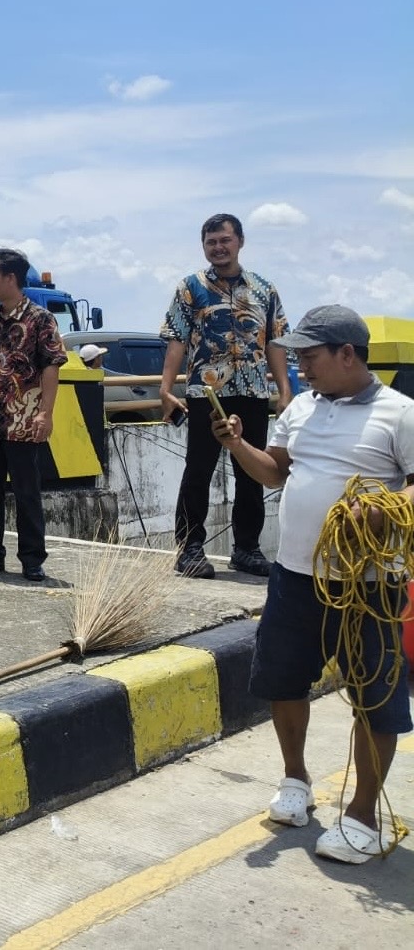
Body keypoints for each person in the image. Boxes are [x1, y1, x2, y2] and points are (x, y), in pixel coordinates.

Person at [211, 304, 411, 864]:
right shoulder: (300, 406)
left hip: (368, 585)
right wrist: (237, 446)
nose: (299, 365)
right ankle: (295, 780)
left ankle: (363, 815)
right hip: (296, 576)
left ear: (348, 354)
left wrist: (383, 511)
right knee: (283, 680)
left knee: (374, 697)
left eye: (309, 355)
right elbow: (276, 471)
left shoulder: (399, 413)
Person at [159, 213, 292, 579]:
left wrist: (284, 391)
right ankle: (189, 549)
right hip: (206, 393)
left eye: (225, 240)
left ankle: (246, 549)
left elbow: (276, 341)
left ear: (240, 242)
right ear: (204, 246)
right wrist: (166, 389)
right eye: (211, 242)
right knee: (198, 470)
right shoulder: (190, 287)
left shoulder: (264, 289)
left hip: (252, 391)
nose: (218, 248)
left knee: (251, 472)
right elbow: (176, 339)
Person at [0, 248, 69, 582]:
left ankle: (32, 559)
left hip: (23, 420)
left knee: (26, 493)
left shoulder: (40, 319)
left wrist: (45, 414)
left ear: (11, 278)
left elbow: (52, 367)